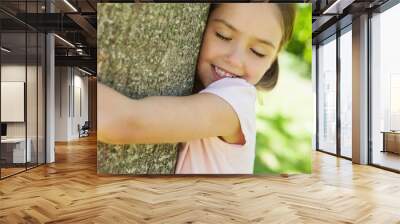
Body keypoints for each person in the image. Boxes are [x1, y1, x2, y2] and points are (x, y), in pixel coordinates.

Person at [98, 3, 296, 174]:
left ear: (272, 60)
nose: (235, 60)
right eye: (223, 35)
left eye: (258, 52)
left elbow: (124, 122)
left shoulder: (236, 102)